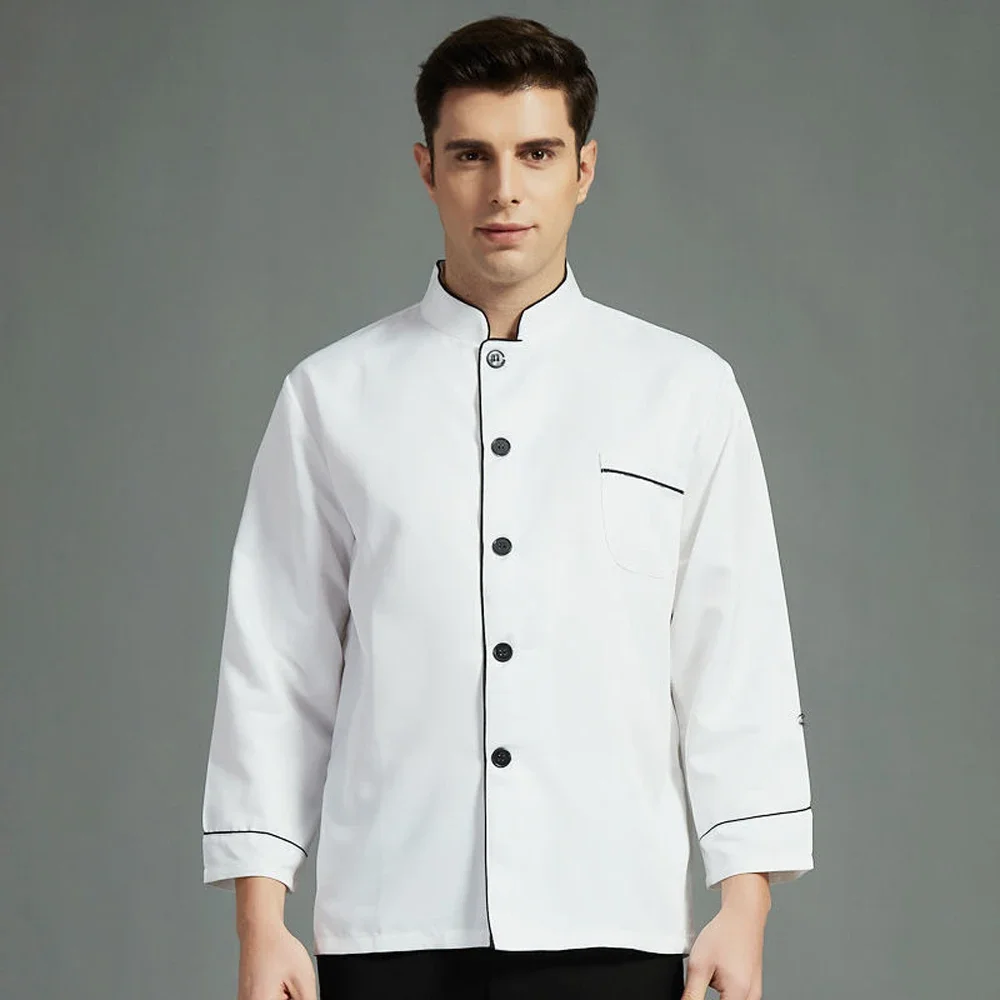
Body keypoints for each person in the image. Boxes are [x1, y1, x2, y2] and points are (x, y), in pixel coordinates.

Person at [201, 15, 813, 1000]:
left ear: (584, 168)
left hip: (614, 917)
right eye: (470, 155)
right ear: (426, 169)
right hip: (392, 920)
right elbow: (276, 662)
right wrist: (260, 919)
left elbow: (734, 656)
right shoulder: (331, 395)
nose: (504, 190)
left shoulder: (682, 390)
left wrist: (744, 905)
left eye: (536, 153)